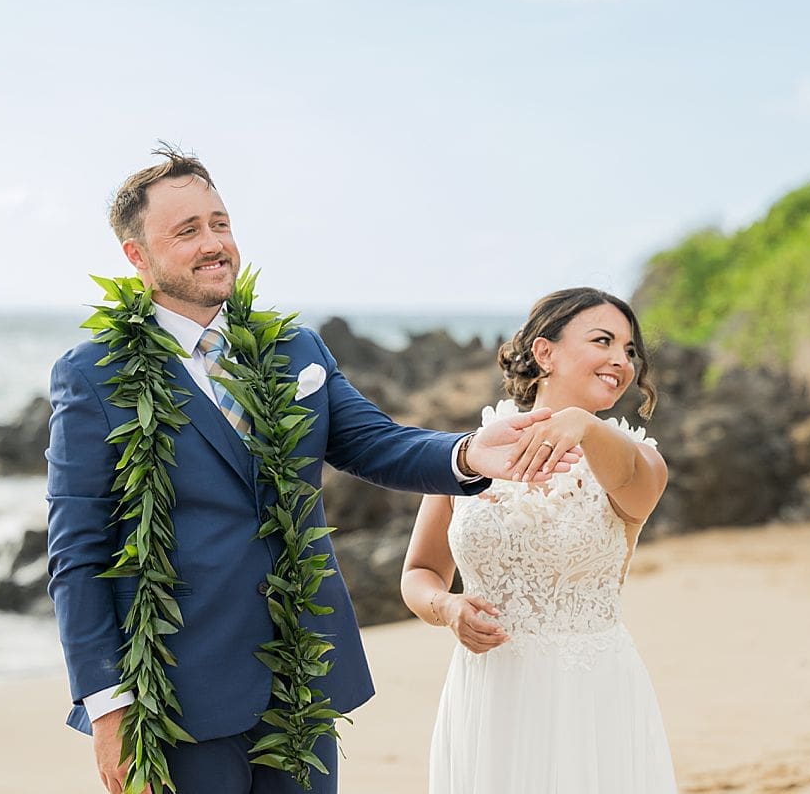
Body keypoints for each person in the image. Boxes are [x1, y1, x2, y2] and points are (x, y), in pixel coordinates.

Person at [46, 146, 580, 794]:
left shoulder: (296, 349)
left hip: (300, 675)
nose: (214, 242)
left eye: (220, 222)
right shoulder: (93, 374)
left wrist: (465, 454)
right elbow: (77, 551)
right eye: (187, 231)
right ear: (138, 257)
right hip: (179, 692)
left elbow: (374, 443)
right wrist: (108, 705)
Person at [401, 287, 678, 793]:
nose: (621, 360)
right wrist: (448, 608)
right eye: (603, 341)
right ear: (544, 352)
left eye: (630, 350)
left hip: (589, 696)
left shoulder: (642, 461)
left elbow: (627, 478)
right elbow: (419, 572)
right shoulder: (471, 454)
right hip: (487, 692)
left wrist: (583, 425)